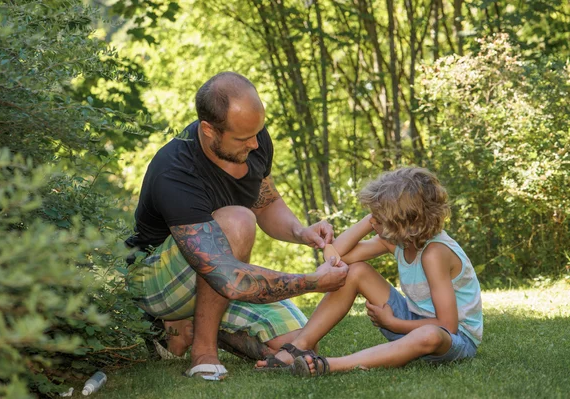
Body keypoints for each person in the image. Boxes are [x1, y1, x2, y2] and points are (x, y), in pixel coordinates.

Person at [124, 71, 349, 380]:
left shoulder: (254, 139)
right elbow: (226, 276)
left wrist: (301, 232)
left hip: (213, 279)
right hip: (154, 282)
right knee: (238, 221)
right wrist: (313, 281)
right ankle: (203, 353)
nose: (256, 143)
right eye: (244, 138)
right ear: (208, 130)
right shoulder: (174, 170)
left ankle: (186, 329)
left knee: (298, 344)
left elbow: (265, 201)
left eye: (258, 132)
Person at [255, 167, 483, 376]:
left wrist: (394, 324)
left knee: (429, 335)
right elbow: (336, 258)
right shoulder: (396, 240)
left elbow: (447, 325)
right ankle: (299, 346)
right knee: (354, 271)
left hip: (451, 339)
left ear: (406, 223)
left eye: (379, 218)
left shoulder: (435, 253)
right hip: (414, 320)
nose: (374, 221)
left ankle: (330, 364)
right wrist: (367, 222)